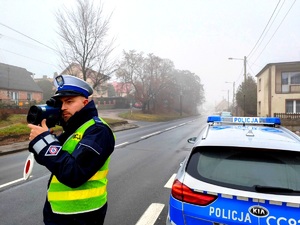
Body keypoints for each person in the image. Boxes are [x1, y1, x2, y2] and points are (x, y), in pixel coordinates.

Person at [27, 74, 115, 225]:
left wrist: (45, 142)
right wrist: (44, 139)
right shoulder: (72, 130)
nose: (63, 108)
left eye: (69, 101)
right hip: (58, 213)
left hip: (82, 215)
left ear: (85, 102)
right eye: (60, 103)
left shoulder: (98, 131)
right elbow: (47, 159)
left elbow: (74, 173)